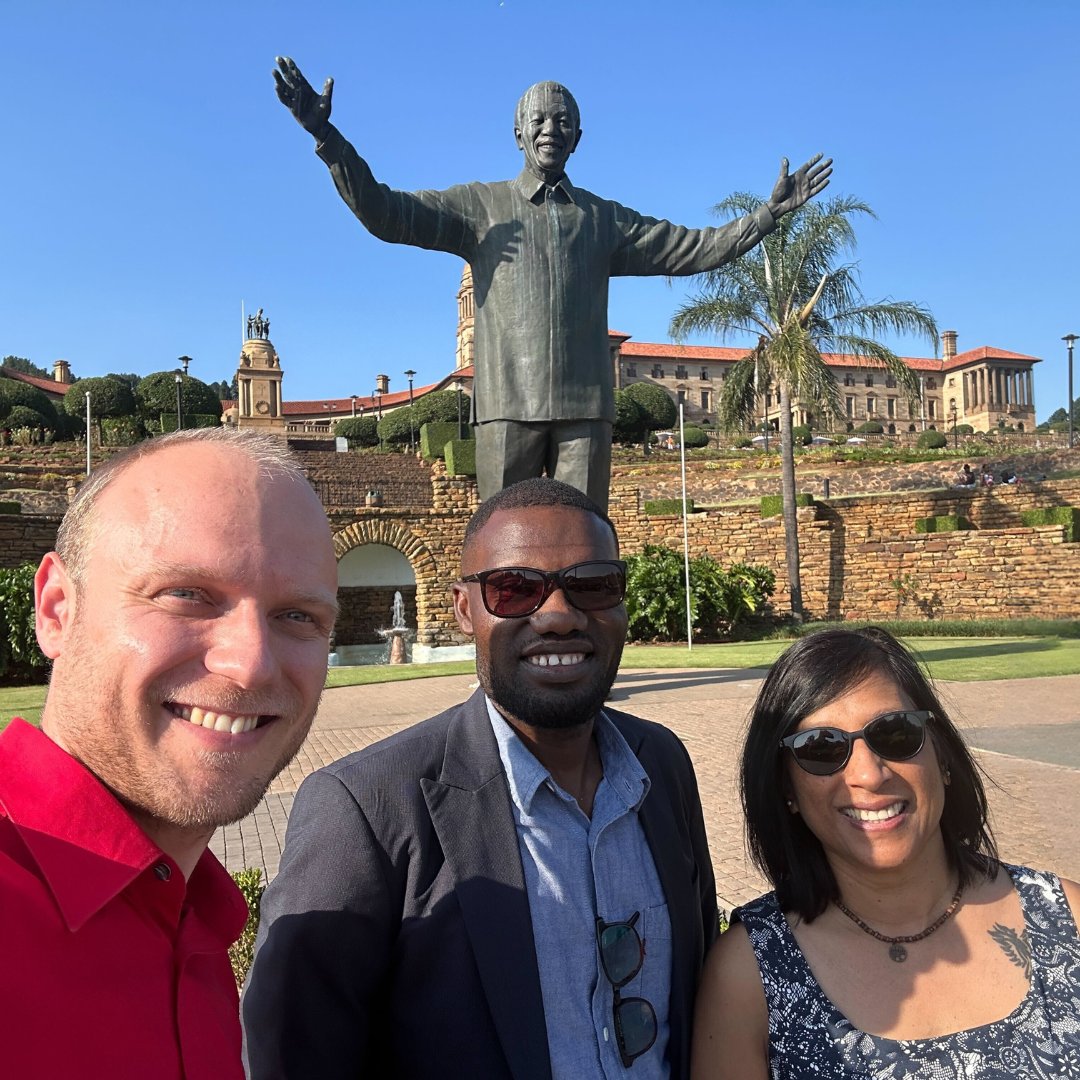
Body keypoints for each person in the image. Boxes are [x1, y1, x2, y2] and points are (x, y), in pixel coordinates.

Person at [243, 477, 717, 1079]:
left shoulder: (662, 764)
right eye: (514, 590)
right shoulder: (367, 807)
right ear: (465, 609)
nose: (558, 616)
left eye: (591, 586)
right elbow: (294, 1059)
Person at [272, 57, 831, 511]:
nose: (550, 129)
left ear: (578, 137)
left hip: (584, 408)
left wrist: (764, 217)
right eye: (538, 120)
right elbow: (384, 212)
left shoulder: (602, 218)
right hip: (506, 405)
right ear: (517, 133)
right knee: (503, 548)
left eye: (562, 120)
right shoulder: (480, 207)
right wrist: (326, 137)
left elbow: (693, 248)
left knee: (583, 549)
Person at [0, 429, 339, 1080]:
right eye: (187, 594)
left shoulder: (201, 924)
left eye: (297, 616)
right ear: (56, 611)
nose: (249, 664)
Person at [690, 627, 1080, 1079]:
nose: (870, 776)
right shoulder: (749, 976)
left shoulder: (1067, 921)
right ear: (786, 790)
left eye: (894, 733)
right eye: (822, 748)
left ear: (943, 757)